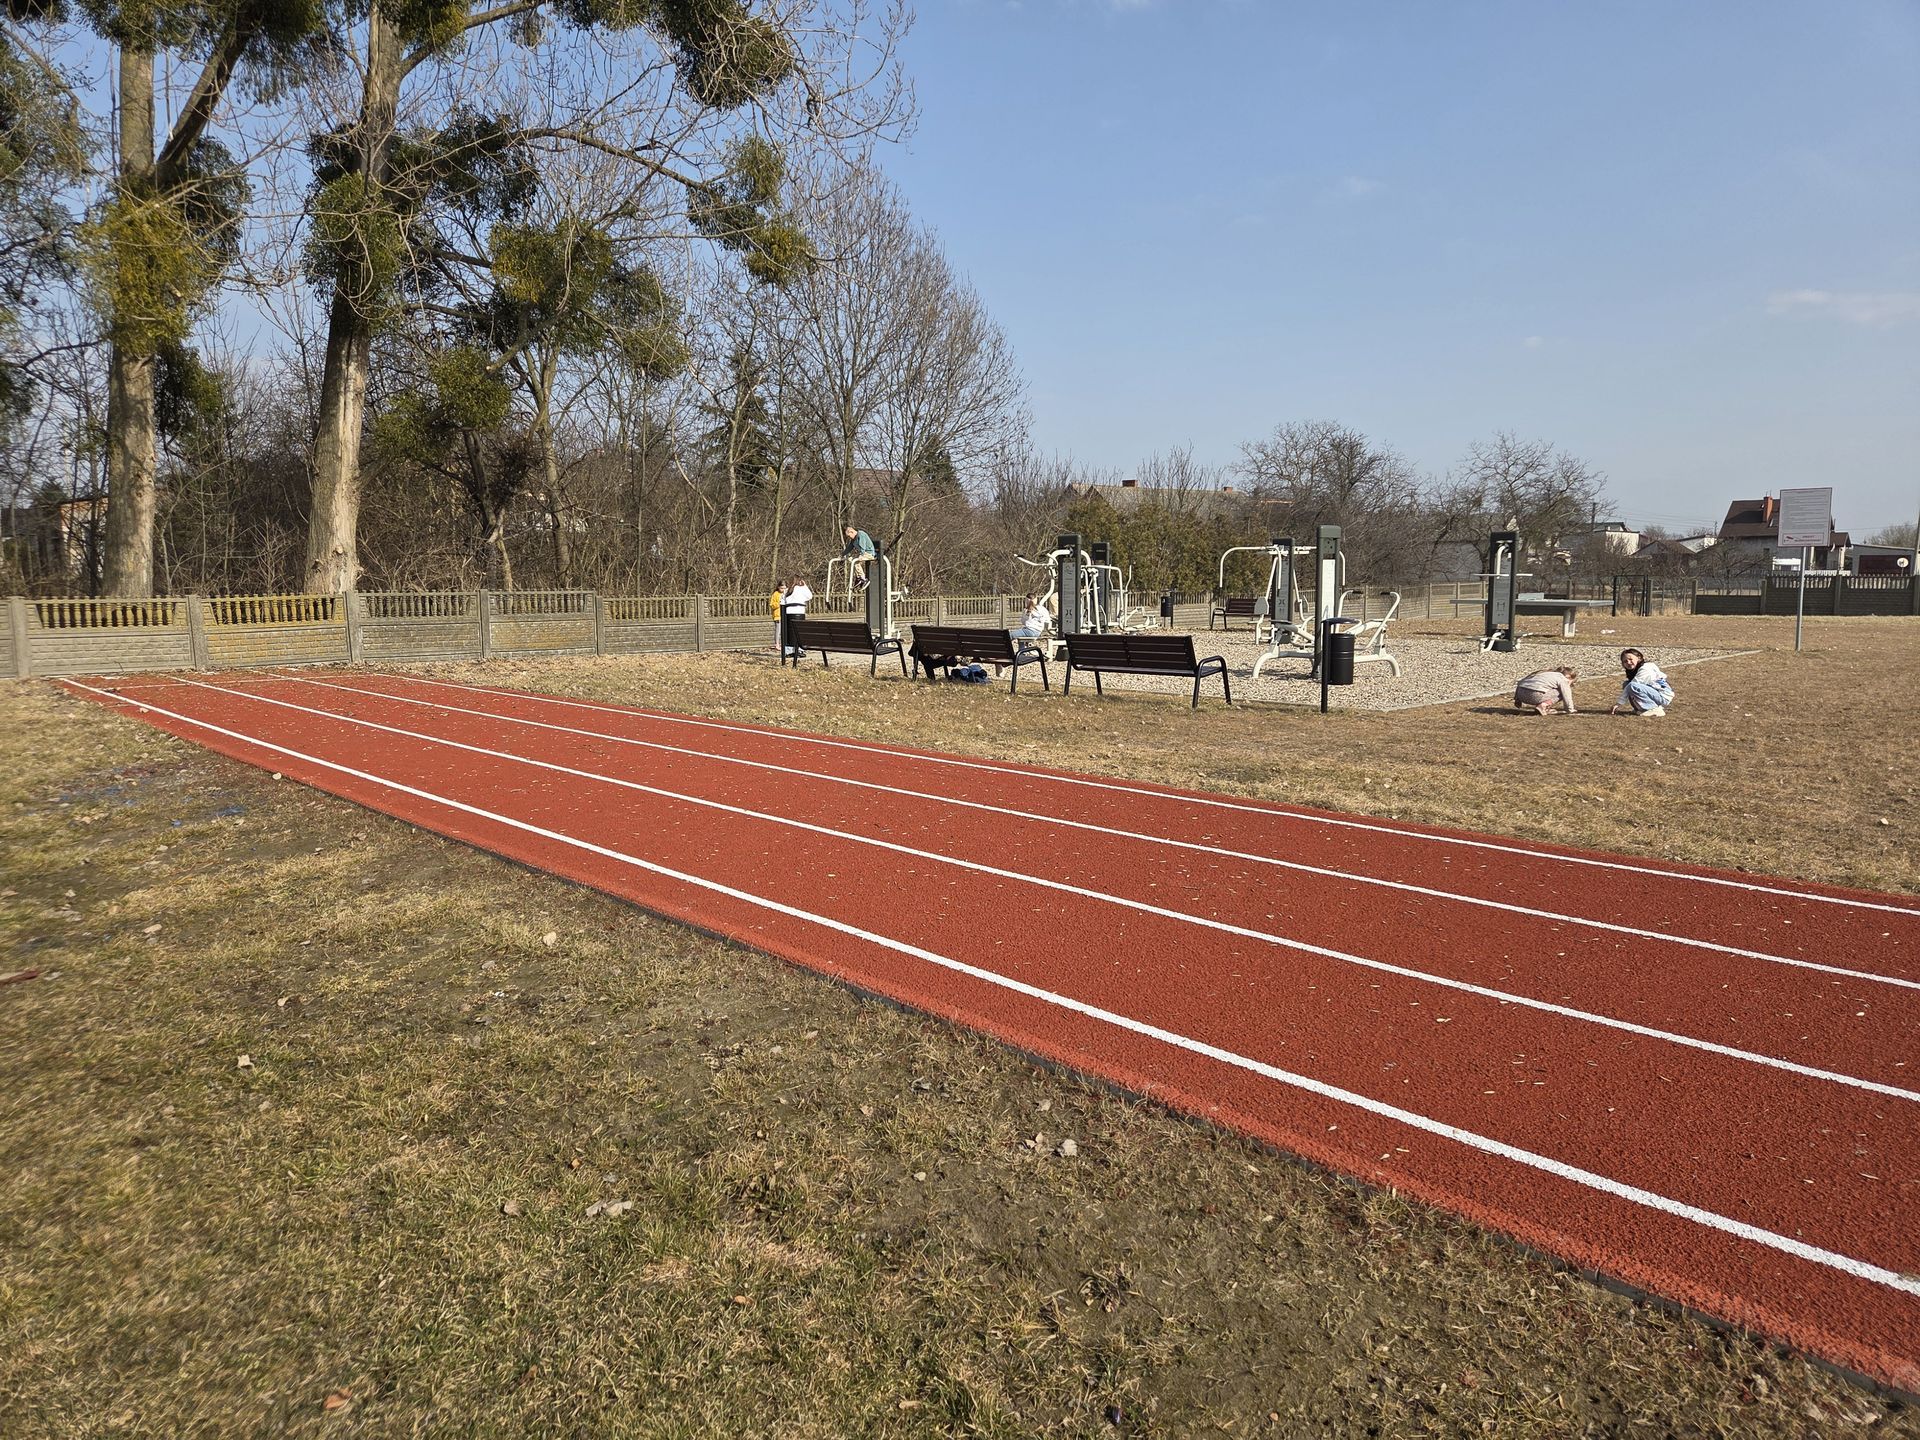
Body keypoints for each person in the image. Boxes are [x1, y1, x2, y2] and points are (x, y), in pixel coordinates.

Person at [1610, 648, 1675, 717]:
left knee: (1631, 685)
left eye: (1630, 659)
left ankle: (1654, 709)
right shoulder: (1639, 668)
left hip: (1662, 696)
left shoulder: (1645, 669)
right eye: (1625, 661)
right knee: (1627, 684)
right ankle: (1640, 709)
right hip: (1655, 692)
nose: (1628, 662)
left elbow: (1631, 686)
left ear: (1639, 658)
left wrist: (1618, 703)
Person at [1513, 666, 1578, 715]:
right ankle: (1543, 706)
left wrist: (1517, 699)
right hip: (1535, 695)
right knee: (1561, 692)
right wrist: (1570, 709)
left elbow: (1521, 683)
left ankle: (1543, 707)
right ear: (1568, 677)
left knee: (1545, 688)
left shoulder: (1544, 674)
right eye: (1571, 683)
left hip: (1520, 694)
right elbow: (1566, 694)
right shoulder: (1562, 679)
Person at [781, 575, 812, 659]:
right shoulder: (801, 589)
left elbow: (782, 602)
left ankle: (789, 650)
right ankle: (800, 650)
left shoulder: (787, 591)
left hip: (788, 613)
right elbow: (810, 596)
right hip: (799, 612)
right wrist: (805, 586)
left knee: (789, 632)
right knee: (799, 632)